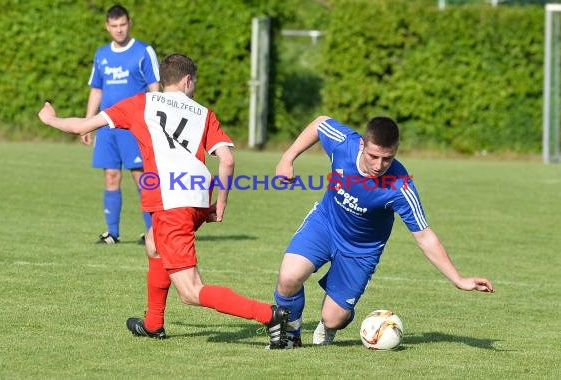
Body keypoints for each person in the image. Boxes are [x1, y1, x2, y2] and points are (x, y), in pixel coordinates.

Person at [38, 53, 290, 349]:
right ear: (187, 80)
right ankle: (153, 323)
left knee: (191, 291)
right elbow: (227, 160)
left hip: (172, 203)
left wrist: (50, 118)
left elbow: (82, 127)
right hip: (195, 198)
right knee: (154, 244)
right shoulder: (203, 113)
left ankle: (271, 316)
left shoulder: (140, 103)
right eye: (194, 82)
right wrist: (220, 203)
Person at [272, 115, 494, 348]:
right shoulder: (344, 144)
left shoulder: (401, 186)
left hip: (361, 250)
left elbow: (425, 236)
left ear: (396, 151)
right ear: (361, 145)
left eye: (387, 159)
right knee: (289, 277)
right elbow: (320, 122)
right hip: (325, 224)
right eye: (373, 156)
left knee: (333, 318)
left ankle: (332, 324)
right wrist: (288, 157)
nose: (379, 165)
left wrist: (458, 279)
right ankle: (290, 334)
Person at [83, 4, 160, 244]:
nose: (119, 30)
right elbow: (97, 89)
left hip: (134, 127)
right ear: (107, 26)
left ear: (129, 23)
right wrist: (88, 122)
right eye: (114, 26)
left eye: (123, 24)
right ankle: (112, 233)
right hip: (107, 128)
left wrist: (155, 122)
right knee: (111, 176)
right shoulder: (102, 54)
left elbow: (154, 88)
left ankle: (152, 232)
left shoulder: (143, 51)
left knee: (141, 177)